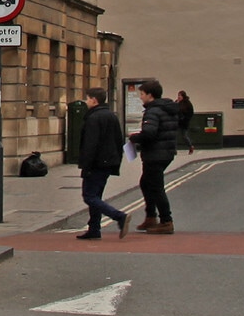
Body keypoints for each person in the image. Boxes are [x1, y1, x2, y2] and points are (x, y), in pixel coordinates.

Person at [74, 87, 128, 240]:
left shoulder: (93, 118)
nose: (86, 101)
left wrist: (86, 165)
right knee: (96, 196)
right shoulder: (111, 116)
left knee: (89, 196)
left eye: (87, 98)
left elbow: (90, 144)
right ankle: (94, 229)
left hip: (96, 163)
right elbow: (119, 140)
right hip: (107, 162)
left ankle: (119, 216)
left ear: (94, 100)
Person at [132, 78, 184, 234]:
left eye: (141, 94)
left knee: (155, 186)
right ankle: (150, 217)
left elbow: (149, 133)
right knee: (146, 183)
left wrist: (135, 138)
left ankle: (166, 221)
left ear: (150, 95)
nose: (140, 97)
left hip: (155, 154)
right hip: (166, 151)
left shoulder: (153, 110)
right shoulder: (168, 108)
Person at [175, 90, 197, 154]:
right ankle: (174, 150)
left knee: (184, 136)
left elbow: (190, 113)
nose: (178, 97)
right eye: (178, 95)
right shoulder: (177, 102)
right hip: (177, 121)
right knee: (175, 136)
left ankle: (190, 146)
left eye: (180, 95)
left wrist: (185, 119)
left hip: (184, 122)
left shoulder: (187, 103)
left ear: (183, 96)